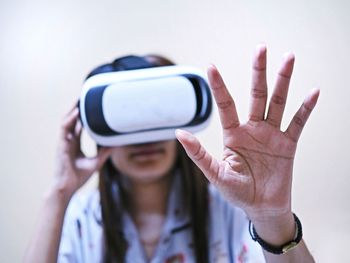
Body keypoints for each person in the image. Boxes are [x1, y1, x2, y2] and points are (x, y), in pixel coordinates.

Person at [24, 45, 319, 263]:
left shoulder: (230, 209)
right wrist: (59, 193)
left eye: (157, 111)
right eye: (127, 113)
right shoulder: (82, 218)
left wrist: (272, 218)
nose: (145, 136)